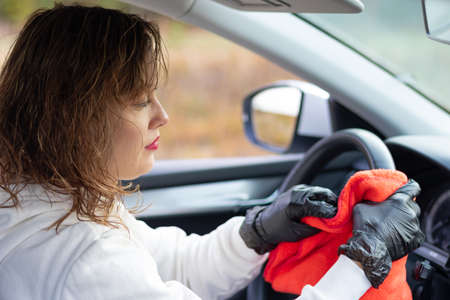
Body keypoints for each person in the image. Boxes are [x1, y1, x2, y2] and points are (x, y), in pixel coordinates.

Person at [0, 4, 424, 300]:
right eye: (139, 100)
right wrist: (365, 262)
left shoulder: (50, 200)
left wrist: (256, 232)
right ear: (79, 116)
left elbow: (174, 267)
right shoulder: (84, 256)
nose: (162, 116)